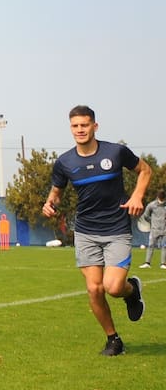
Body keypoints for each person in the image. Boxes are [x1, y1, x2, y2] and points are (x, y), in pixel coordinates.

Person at [43, 105, 151, 356]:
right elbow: (56, 193)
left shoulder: (116, 152)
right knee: (94, 288)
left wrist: (137, 196)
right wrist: (49, 204)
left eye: (84, 125)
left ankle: (131, 290)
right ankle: (113, 339)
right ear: (71, 128)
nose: (80, 129)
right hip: (86, 231)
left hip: (116, 229)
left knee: (113, 287)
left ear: (95, 126)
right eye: (75, 126)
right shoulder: (65, 162)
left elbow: (145, 170)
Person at [139, 190, 166, 269]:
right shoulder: (152, 205)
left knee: (164, 246)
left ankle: (163, 264)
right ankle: (147, 263)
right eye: (160, 195)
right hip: (154, 230)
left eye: (162, 195)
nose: (161, 196)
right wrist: (152, 221)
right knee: (151, 245)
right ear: (158, 196)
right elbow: (145, 215)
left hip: (165, 230)